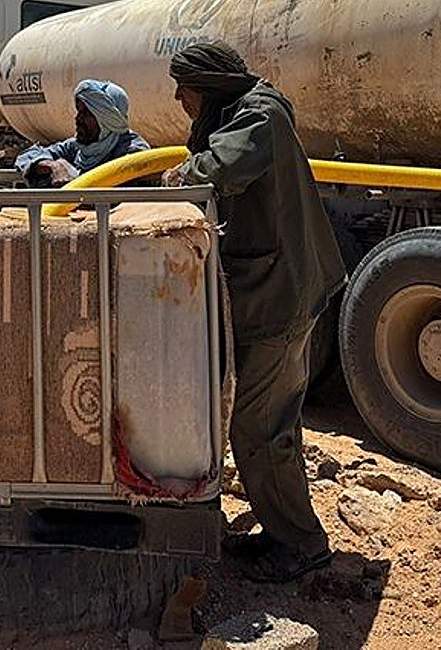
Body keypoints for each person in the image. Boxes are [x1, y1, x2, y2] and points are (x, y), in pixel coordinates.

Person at [162, 41, 345, 584]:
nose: (178, 99)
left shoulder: (259, 115)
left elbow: (217, 171)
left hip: (280, 296)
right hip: (268, 290)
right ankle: (281, 528)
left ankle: (302, 544)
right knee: (261, 421)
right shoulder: (237, 114)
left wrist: (174, 178)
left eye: (185, 90)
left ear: (210, 88)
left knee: (260, 427)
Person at [15, 79, 149, 186]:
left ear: (107, 119)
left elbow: (112, 188)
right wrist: (54, 165)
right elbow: (27, 156)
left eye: (86, 113)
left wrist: (74, 178)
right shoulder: (78, 147)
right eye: (79, 111)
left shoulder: (133, 151)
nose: (78, 118)